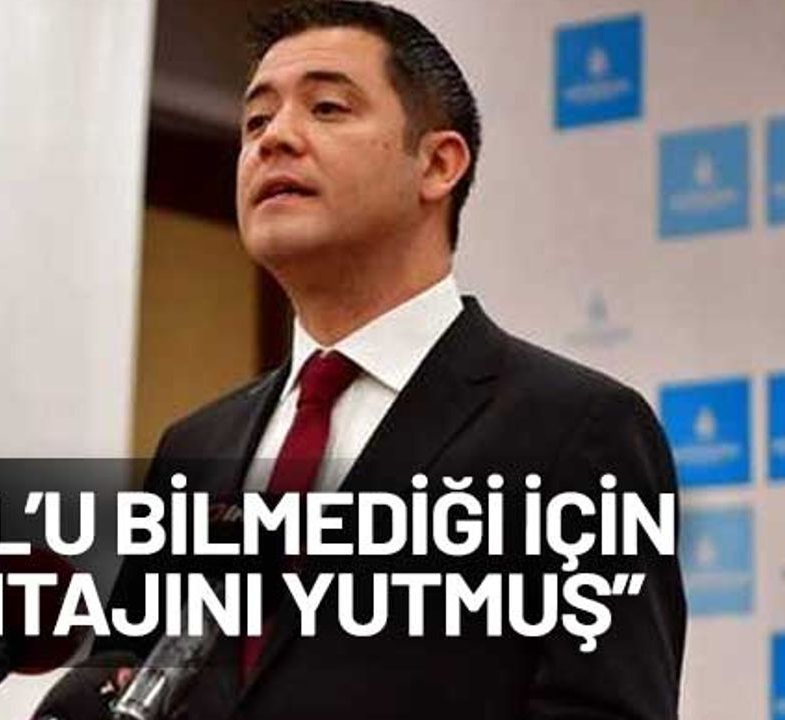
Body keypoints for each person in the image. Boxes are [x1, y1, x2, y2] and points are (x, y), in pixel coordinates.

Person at [111, 2, 686, 719]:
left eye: (326, 107)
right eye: (255, 121)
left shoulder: (578, 432)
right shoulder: (195, 447)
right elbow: (121, 682)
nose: (274, 138)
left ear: (438, 164)